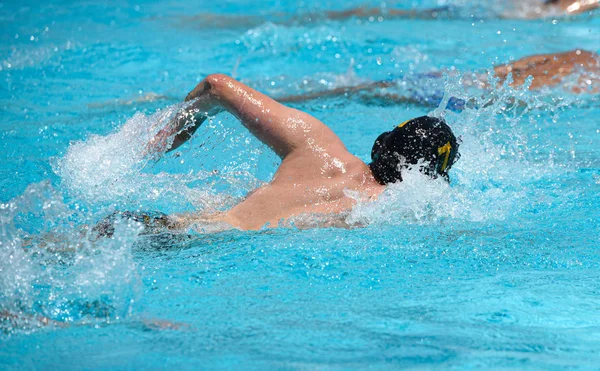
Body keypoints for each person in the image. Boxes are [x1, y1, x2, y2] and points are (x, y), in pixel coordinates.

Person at [140, 74, 459, 231]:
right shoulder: (386, 213)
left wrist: (161, 141)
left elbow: (216, 86)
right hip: (199, 247)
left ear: (381, 143)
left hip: (158, 226)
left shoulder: (317, 147)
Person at [276, 49, 599, 107]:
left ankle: (281, 97)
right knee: (352, 96)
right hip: (462, 96)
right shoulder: (592, 77)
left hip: (450, 78)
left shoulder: (579, 55)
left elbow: (498, 72)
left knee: (348, 91)